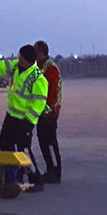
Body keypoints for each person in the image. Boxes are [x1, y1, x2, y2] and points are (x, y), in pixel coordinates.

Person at [0, 43, 49, 190]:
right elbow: (0, 66)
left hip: (23, 120)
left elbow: (39, 103)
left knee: (23, 150)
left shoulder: (38, 78)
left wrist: (29, 122)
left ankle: (35, 179)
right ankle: (12, 176)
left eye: (20, 58)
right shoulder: (17, 68)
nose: (17, 59)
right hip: (11, 116)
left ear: (28, 60)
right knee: (5, 144)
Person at [34, 40, 62, 183]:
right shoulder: (38, 67)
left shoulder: (51, 69)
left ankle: (54, 171)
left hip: (49, 112)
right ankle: (50, 168)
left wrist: (49, 111)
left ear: (41, 53)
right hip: (41, 111)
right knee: (43, 141)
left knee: (50, 142)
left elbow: (52, 92)